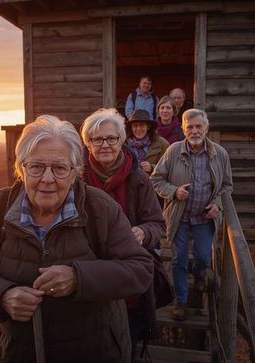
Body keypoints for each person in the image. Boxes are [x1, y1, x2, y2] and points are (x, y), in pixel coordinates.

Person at [0, 115, 153, 362]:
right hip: (17, 353)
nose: (47, 179)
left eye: (59, 168)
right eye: (36, 166)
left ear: (76, 172)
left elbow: (140, 270)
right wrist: (2, 296)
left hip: (95, 350)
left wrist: (78, 278)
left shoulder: (100, 208)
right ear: (21, 169)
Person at [80, 108, 166, 360]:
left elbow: (157, 224)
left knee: (125, 344)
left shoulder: (139, 179)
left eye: (112, 138)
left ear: (121, 140)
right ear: (88, 143)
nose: (105, 144)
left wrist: (142, 231)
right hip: (89, 274)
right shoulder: (77, 178)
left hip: (127, 278)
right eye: (97, 139)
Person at [150, 108, 233, 321]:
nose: (195, 131)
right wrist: (174, 191)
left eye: (199, 126)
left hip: (204, 218)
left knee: (203, 257)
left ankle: (199, 273)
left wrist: (217, 204)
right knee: (178, 259)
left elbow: (226, 186)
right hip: (179, 216)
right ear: (183, 129)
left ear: (206, 128)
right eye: (190, 127)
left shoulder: (219, 154)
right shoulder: (173, 151)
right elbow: (156, 179)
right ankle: (181, 300)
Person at [125, 109, 170, 175]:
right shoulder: (123, 144)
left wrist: (152, 168)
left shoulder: (162, 144)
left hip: (153, 184)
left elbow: (169, 168)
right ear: (131, 127)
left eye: (142, 125)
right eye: (135, 125)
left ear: (148, 126)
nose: (138, 129)